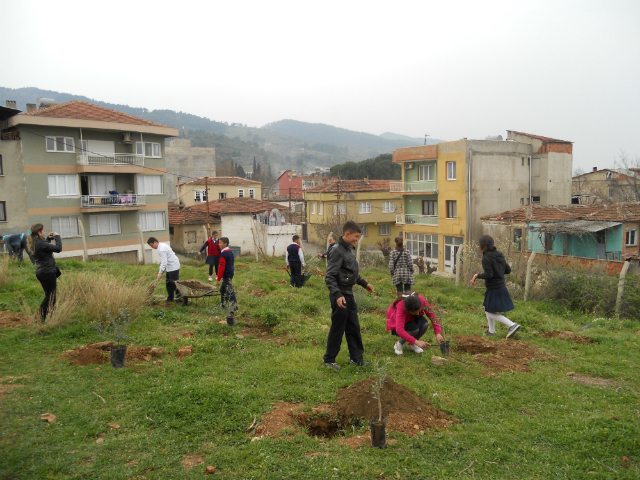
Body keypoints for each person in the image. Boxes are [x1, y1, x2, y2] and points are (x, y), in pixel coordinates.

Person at [322, 221, 375, 371]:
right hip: (340, 296)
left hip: (349, 295)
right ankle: (328, 360)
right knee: (338, 328)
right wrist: (338, 295)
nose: (357, 240)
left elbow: (352, 273)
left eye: (358, 237)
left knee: (353, 327)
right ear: (347, 234)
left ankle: (356, 359)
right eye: (356, 237)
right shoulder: (337, 251)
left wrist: (365, 284)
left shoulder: (349, 250)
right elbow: (330, 277)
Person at [470, 235, 521, 338]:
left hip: (494, 288)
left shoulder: (486, 257)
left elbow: (489, 275)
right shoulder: (499, 254)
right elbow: (508, 270)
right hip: (501, 286)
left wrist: (477, 275)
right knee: (487, 308)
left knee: (488, 311)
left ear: (482, 246)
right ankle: (491, 331)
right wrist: (499, 269)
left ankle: (512, 325)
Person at [28, 224, 62, 321]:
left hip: (42, 272)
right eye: (43, 231)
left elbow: (44, 249)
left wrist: (48, 239)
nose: (44, 232)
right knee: (50, 297)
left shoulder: (35, 243)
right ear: (39, 233)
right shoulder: (40, 244)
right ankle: (39, 318)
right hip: (47, 272)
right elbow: (58, 249)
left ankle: (51, 317)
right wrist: (57, 237)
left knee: (51, 296)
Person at [147, 237, 181, 303]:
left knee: (174, 283)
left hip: (173, 266)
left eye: (152, 245)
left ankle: (180, 298)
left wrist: (160, 272)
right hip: (169, 267)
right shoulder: (161, 246)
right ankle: (170, 298)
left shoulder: (162, 249)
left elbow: (164, 262)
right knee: (168, 283)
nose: (152, 247)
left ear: (155, 242)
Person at [216, 237, 237, 324]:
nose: (219, 244)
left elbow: (221, 267)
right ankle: (223, 304)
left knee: (230, 291)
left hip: (226, 274)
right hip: (230, 272)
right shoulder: (229, 252)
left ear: (225, 244)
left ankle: (234, 307)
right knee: (223, 289)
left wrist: (218, 278)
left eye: (220, 243)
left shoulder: (223, 254)